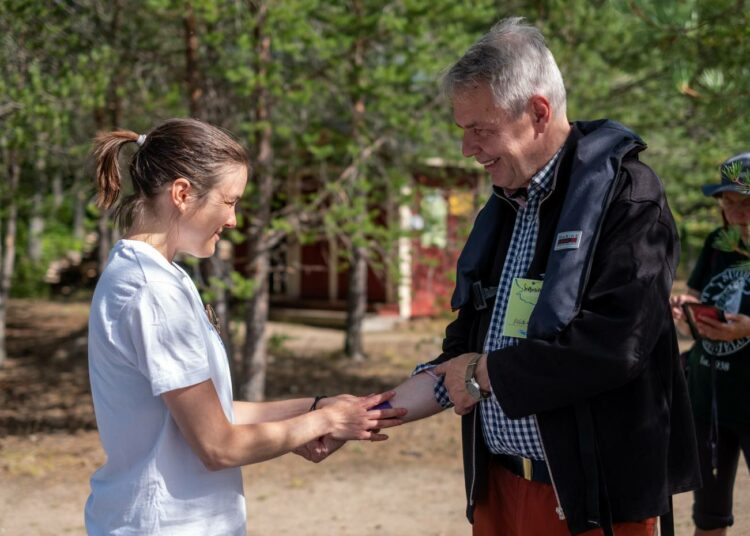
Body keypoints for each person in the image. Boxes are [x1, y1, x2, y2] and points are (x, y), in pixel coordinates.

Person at [312, 17, 702, 536]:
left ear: (538, 113)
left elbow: (616, 346)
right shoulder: (504, 210)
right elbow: (460, 358)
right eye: (463, 130)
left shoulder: (627, 197)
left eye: (481, 129)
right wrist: (361, 415)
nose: (466, 150)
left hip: (590, 502)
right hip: (498, 489)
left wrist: (484, 373)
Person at [84, 118, 406, 535]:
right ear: (182, 194)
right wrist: (324, 424)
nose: (234, 219)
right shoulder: (152, 293)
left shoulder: (160, 277)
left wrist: (315, 407)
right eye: (230, 201)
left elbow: (215, 414)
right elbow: (218, 445)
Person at [670, 153, 750, 536]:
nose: (735, 210)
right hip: (708, 399)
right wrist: (686, 312)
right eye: (728, 200)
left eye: (745, 200)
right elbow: (696, 302)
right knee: (709, 515)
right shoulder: (719, 242)